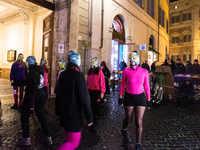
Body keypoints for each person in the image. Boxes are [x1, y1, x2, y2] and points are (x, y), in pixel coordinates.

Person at [56, 50, 93, 150]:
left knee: (68, 140)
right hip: (73, 115)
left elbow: (58, 94)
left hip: (64, 113)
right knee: (73, 143)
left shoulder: (63, 74)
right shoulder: (79, 76)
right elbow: (84, 98)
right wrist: (89, 117)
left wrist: (57, 111)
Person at [118, 51, 152, 150]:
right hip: (129, 97)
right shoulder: (126, 71)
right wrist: (120, 97)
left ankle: (138, 144)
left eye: (133, 59)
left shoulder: (144, 71)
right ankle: (124, 129)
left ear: (137, 59)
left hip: (140, 98)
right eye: (130, 59)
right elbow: (122, 84)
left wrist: (148, 100)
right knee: (128, 119)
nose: (131, 61)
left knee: (139, 122)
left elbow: (147, 86)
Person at [17, 56, 53, 146]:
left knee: (24, 117)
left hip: (32, 97)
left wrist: (31, 104)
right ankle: (48, 138)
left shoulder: (32, 72)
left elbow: (32, 88)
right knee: (42, 118)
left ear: (29, 63)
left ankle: (26, 139)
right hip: (41, 95)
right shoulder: (39, 70)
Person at [87, 57, 105, 124]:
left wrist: (102, 92)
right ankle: (93, 114)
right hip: (91, 90)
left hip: (97, 90)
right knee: (92, 103)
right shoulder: (90, 71)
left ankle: (97, 114)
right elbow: (88, 81)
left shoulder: (99, 72)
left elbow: (102, 82)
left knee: (96, 103)